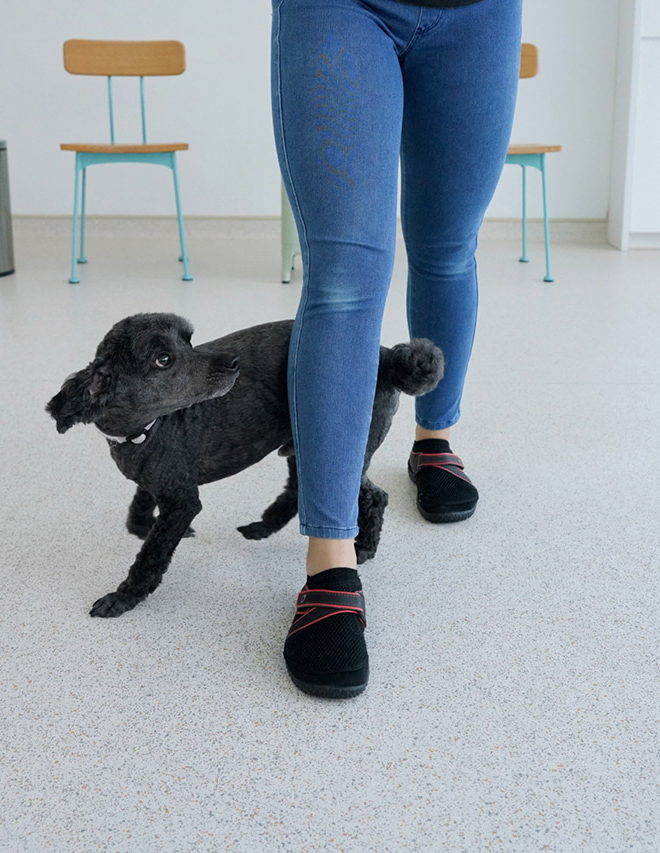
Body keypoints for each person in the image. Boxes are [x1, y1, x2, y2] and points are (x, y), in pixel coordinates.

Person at [271, 0, 523, 697]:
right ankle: (330, 559)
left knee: (447, 249)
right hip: (341, 10)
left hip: (478, 14)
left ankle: (435, 440)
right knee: (347, 275)